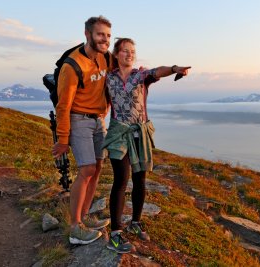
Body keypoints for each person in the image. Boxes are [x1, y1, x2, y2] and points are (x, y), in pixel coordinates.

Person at [103, 38, 191, 253]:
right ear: (116, 54)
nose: (129, 54)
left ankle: (135, 222)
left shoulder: (140, 75)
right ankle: (115, 233)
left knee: (140, 179)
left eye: (132, 51)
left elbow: (157, 71)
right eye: (124, 51)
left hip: (140, 133)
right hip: (118, 133)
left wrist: (173, 68)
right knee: (121, 179)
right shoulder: (108, 78)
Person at [52, 15, 112, 245]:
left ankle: (85, 216)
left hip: (98, 121)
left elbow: (123, 72)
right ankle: (75, 228)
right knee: (86, 169)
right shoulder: (72, 65)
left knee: (96, 168)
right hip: (79, 120)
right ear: (87, 34)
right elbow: (63, 105)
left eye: (107, 35)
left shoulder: (106, 57)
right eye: (100, 34)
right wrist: (63, 139)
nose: (104, 39)